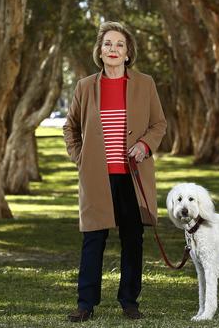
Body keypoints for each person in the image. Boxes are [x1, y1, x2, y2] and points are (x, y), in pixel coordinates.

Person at [63, 21, 167, 322]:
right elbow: (70, 127)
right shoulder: (85, 86)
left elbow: (158, 123)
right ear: (100, 50)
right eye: (107, 43)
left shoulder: (145, 83)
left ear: (128, 52)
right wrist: (80, 157)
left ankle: (129, 301)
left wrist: (145, 146)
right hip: (97, 175)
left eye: (119, 44)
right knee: (93, 239)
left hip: (132, 175)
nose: (113, 49)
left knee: (133, 238)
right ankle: (85, 304)